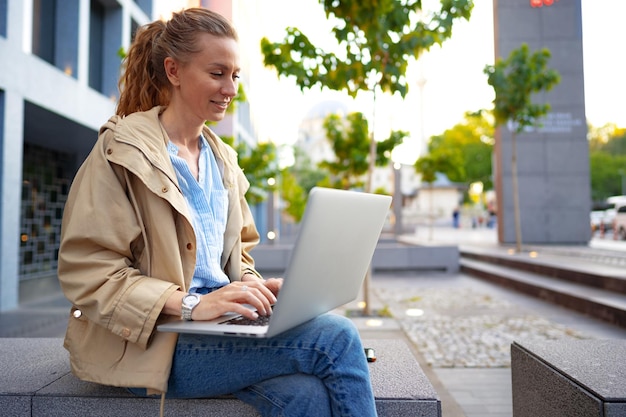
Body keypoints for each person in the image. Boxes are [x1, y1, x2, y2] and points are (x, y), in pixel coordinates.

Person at [57, 8, 377, 417]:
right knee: (338, 339)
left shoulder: (222, 160)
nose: (230, 88)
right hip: (155, 344)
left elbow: (237, 257)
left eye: (235, 75)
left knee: (306, 396)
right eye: (217, 73)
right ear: (173, 70)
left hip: (219, 330)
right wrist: (190, 304)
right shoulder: (120, 152)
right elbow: (89, 272)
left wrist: (254, 289)